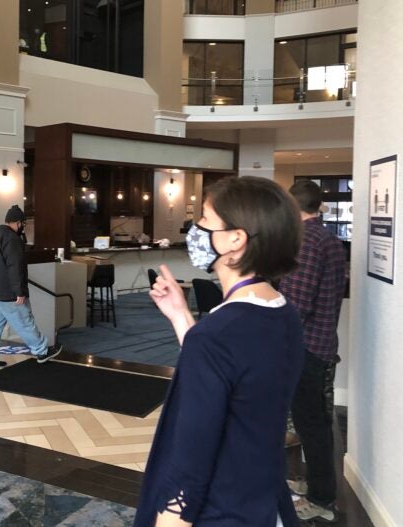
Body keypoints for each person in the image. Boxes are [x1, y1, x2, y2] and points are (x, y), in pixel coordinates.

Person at [135, 176, 304, 527]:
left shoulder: (217, 335)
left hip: (219, 510)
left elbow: (190, 459)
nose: (195, 230)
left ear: (236, 240)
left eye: (206, 221)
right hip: (262, 500)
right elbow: (231, 374)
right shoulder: (281, 312)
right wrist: (181, 315)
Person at [279, 179, 347, 523]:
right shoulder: (330, 240)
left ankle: (322, 498)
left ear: (293, 207)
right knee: (314, 423)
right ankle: (316, 485)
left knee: (313, 425)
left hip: (307, 348)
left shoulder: (306, 243)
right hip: (323, 342)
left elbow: (297, 305)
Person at [0, 205, 62, 369]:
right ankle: (42, 351)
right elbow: (15, 266)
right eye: (23, 224)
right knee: (25, 322)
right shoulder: (13, 239)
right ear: (18, 223)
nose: (23, 227)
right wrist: (19, 291)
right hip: (9, 293)